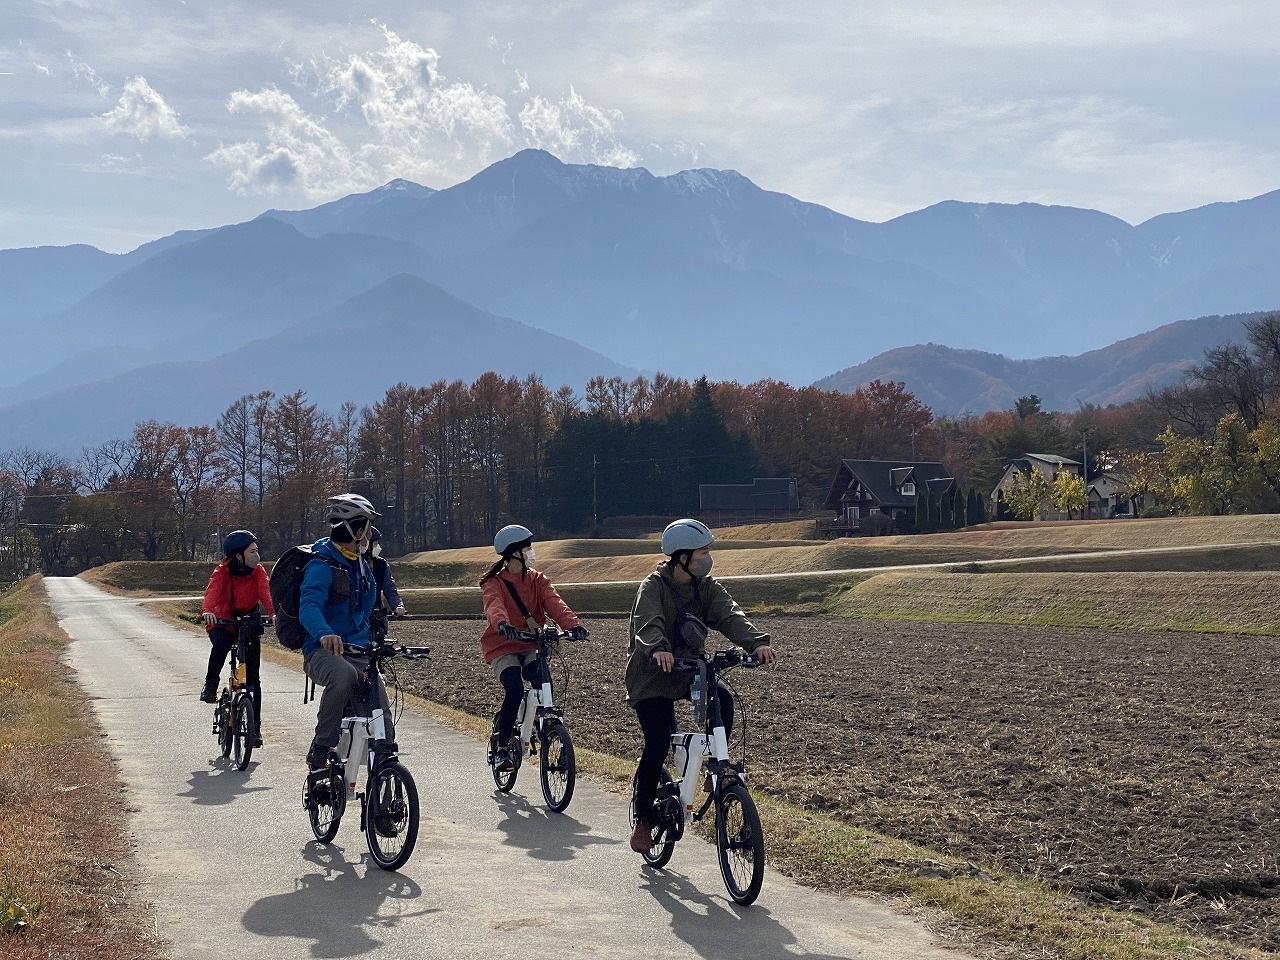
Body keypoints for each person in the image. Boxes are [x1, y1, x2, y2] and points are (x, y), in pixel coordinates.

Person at [624, 518, 778, 853]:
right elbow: (648, 622)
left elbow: (729, 615)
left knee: (721, 698)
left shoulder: (705, 586)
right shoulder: (653, 587)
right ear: (681, 557)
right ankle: (643, 819)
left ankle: (717, 768)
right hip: (650, 674)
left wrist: (755, 643)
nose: (707, 558)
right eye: (702, 552)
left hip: (688, 669)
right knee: (657, 742)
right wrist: (658, 648)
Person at [480, 524, 588, 771]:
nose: (531, 552)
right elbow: (493, 606)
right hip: (503, 645)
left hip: (531, 642)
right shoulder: (493, 583)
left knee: (542, 680)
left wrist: (573, 625)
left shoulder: (537, 580)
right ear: (513, 552)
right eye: (527, 548)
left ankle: (552, 734)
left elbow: (554, 602)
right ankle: (503, 749)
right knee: (515, 689)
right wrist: (502, 624)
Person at [300, 494, 394, 770]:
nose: (369, 535)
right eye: (366, 527)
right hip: (322, 651)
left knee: (377, 694)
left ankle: (386, 765)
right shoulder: (321, 564)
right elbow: (309, 606)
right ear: (355, 529)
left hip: (357, 650)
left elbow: (364, 610)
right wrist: (325, 633)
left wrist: (370, 640)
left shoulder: (361, 565)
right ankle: (321, 746)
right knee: (344, 676)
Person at [199, 530, 275, 747]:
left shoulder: (258, 571)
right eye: (252, 551)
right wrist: (207, 611)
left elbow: (266, 592)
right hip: (222, 620)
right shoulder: (222, 571)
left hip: (248, 622)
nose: (256, 555)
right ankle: (210, 684)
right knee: (221, 644)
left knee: (253, 679)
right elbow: (211, 593)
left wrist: (273, 613)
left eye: (257, 551)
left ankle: (255, 729)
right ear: (238, 555)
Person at [368, 526, 407, 619]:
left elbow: (390, 589)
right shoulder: (355, 564)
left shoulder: (382, 565)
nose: (378, 547)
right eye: (375, 543)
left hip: (376, 615)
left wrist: (398, 606)